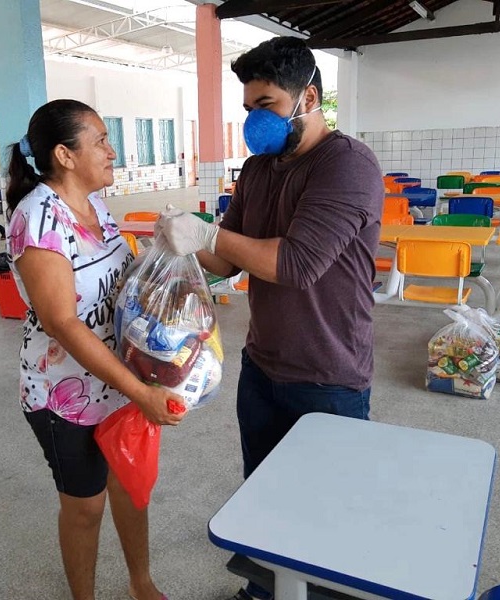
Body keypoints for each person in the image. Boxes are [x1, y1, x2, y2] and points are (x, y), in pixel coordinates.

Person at [156, 37, 384, 600]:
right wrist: (179, 246)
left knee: (327, 508)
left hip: (328, 373)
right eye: (249, 107)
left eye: (266, 104)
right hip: (263, 366)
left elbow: (298, 264)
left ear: (308, 97)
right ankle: (267, 589)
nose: (254, 119)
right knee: (264, 497)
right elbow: (228, 258)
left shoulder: (347, 164)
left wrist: (209, 233)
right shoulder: (259, 170)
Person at [5, 99, 185, 600]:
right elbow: (62, 323)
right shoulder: (37, 220)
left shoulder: (96, 206)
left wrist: (161, 265)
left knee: (131, 486)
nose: (112, 151)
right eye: (101, 140)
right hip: (66, 393)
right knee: (86, 506)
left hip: (120, 380)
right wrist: (140, 391)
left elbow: (115, 283)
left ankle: (140, 582)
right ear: (65, 154)